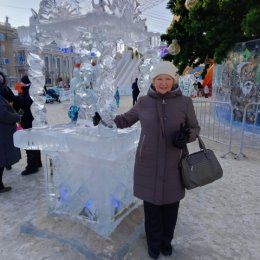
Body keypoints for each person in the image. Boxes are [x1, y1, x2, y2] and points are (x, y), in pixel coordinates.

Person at [93, 61, 200, 259]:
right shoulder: (143, 102)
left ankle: (166, 241)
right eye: (159, 79)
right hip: (147, 164)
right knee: (151, 210)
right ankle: (153, 243)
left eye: (167, 79)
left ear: (173, 80)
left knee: (170, 209)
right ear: (153, 80)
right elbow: (124, 120)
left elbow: (195, 128)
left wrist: (187, 136)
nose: (163, 83)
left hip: (174, 165)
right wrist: (105, 120)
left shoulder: (185, 103)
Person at [13, 75, 42, 176]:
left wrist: (14, 99)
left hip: (30, 122)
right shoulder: (26, 91)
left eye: (21, 82)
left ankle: (32, 166)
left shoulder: (30, 92)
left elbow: (25, 103)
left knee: (30, 144)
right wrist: (18, 117)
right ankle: (37, 163)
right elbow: (22, 108)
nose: (19, 84)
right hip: (29, 120)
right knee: (34, 143)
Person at [0, 85, 21, 193]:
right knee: (2, 158)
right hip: (3, 132)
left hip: (4, 131)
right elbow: (3, 114)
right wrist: (16, 117)